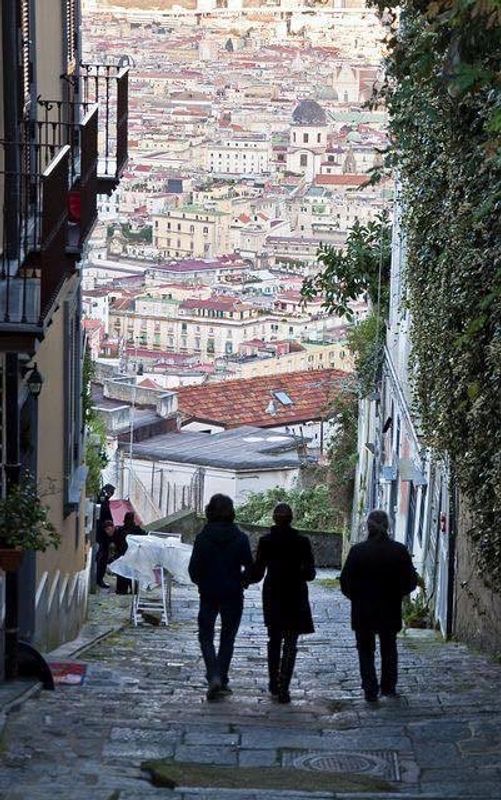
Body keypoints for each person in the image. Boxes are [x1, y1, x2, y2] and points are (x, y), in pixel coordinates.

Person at [340, 509, 418, 702]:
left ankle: (370, 688)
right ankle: (388, 687)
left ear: (367, 527)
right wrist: (397, 594)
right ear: (388, 527)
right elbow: (410, 581)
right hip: (389, 607)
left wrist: (356, 597)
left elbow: (345, 582)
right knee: (389, 648)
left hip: (363, 609)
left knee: (365, 650)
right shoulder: (398, 551)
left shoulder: (357, 551)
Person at [188, 494, 253, 701]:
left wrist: (202, 582)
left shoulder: (202, 538)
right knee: (228, 637)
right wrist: (242, 580)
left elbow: (193, 570)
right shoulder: (241, 538)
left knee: (205, 636)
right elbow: (250, 567)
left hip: (208, 593)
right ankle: (222, 678)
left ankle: (213, 675)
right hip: (233, 593)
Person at [250, 502, 316, 704]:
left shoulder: (266, 541)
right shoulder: (302, 542)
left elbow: (259, 572)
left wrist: (242, 580)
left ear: (274, 519)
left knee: (274, 639)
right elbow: (310, 574)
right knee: (291, 642)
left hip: (273, 593)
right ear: (291, 518)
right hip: (295, 593)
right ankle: (284, 686)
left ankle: (273, 682)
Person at [113, 511, 146, 595]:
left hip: (122, 555)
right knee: (133, 574)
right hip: (134, 556)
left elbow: (116, 542)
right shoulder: (137, 530)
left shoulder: (120, 530)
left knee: (122, 574)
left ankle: (121, 590)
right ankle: (133, 590)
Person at [96, 519, 115, 589]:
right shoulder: (103, 536)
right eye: (106, 530)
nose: (108, 531)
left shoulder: (114, 533)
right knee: (101, 566)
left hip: (106, 552)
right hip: (103, 552)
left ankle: (100, 580)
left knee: (103, 566)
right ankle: (99, 580)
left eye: (109, 529)